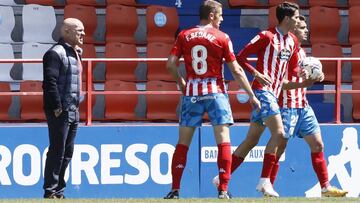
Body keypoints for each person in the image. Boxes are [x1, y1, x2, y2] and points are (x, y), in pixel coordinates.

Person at [163, 0, 261, 199]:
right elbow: (236, 70)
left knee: (183, 143)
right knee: (223, 140)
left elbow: (171, 65)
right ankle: (223, 190)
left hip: (192, 93)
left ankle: (175, 189)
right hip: (215, 92)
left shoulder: (184, 35)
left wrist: (182, 84)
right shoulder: (222, 37)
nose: (222, 18)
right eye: (220, 15)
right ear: (212, 15)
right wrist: (251, 95)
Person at [212, 1, 301, 197]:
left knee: (251, 140)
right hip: (262, 91)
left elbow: (294, 70)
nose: (297, 20)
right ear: (286, 18)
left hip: (275, 94)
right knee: (279, 133)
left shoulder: (293, 40)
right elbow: (240, 56)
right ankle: (264, 181)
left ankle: (222, 177)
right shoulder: (266, 36)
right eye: (295, 17)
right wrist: (255, 73)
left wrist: (307, 74)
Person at [271, 15, 348, 197]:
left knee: (318, 144)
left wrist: (315, 75)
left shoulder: (302, 52)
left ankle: (325, 187)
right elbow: (280, 81)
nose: (307, 31)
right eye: (303, 28)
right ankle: (268, 186)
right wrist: (304, 82)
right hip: (287, 106)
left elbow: (299, 73)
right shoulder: (285, 51)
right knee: (279, 148)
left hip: (303, 106)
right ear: (293, 29)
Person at [42, 18, 85, 199]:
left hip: (73, 109)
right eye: (79, 30)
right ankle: (50, 191)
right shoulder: (55, 53)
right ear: (66, 31)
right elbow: (49, 82)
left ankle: (59, 190)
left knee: (67, 152)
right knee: (57, 150)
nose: (83, 34)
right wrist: (57, 107)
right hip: (60, 110)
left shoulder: (76, 52)